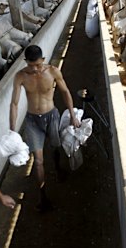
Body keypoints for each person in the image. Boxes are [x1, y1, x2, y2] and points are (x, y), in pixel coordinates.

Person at [9, 45, 80, 211]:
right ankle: (43, 196)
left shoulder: (53, 71)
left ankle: (57, 167)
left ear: (43, 60)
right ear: (25, 61)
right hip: (33, 121)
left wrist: (72, 115)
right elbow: (14, 103)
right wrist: (12, 130)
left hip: (52, 116)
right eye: (31, 65)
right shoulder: (20, 76)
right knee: (38, 161)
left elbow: (65, 92)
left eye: (38, 65)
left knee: (55, 146)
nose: (34, 69)